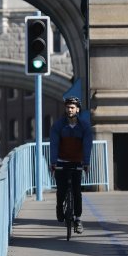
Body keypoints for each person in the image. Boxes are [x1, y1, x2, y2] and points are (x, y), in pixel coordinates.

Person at [48, 96, 93, 234]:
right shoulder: (58, 125)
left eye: (72, 107)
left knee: (77, 192)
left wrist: (86, 163)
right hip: (62, 162)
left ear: (77, 109)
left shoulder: (84, 126)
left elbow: (87, 145)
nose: (70, 110)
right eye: (68, 107)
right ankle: (59, 208)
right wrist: (53, 162)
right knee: (61, 190)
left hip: (77, 162)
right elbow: (54, 144)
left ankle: (78, 219)